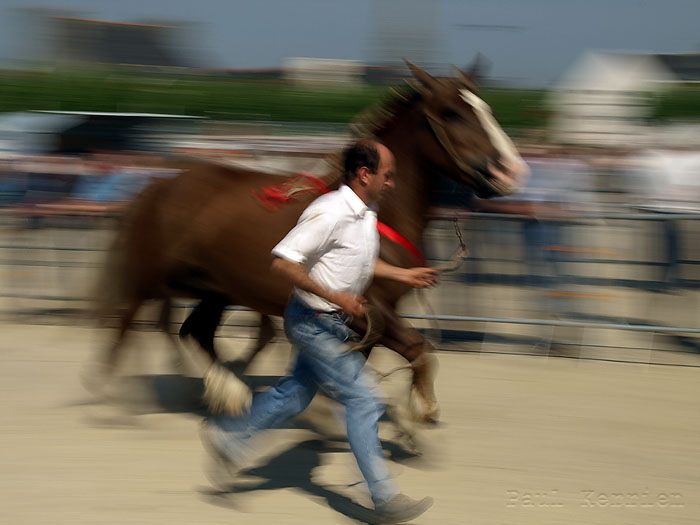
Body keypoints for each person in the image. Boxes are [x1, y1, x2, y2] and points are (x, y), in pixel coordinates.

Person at [201, 139, 438, 523]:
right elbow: (283, 262)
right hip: (313, 323)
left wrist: (403, 273)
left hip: (331, 322)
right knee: (366, 400)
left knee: (293, 396)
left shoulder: (366, 212)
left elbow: (359, 258)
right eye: (387, 175)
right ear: (365, 175)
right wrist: (336, 297)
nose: (391, 183)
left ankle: (229, 437)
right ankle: (381, 497)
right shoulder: (328, 212)